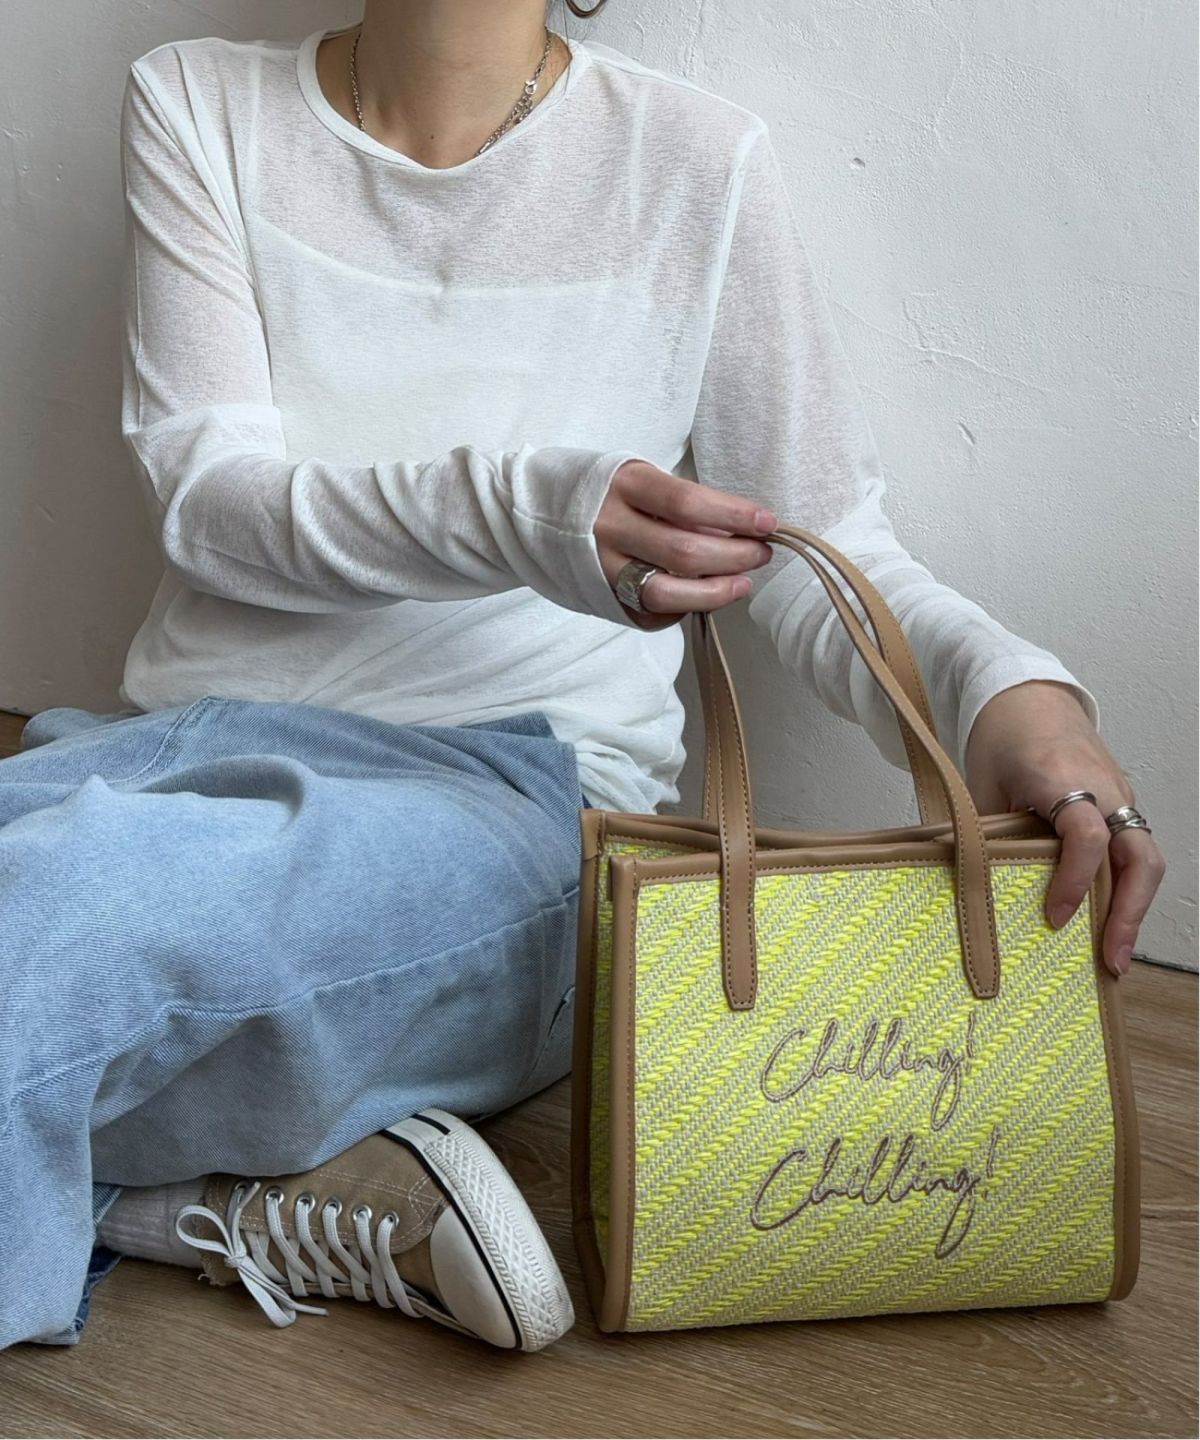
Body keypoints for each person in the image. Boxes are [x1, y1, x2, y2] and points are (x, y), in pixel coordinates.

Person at [0, 0, 1165, 1354]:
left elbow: (815, 547)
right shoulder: (196, 101)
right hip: (172, 755)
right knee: (62, 934)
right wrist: (529, 513)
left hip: (512, 801)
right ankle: (219, 1194)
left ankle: (165, 1163)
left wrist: (1016, 704)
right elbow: (213, 506)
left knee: (55, 928)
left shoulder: (693, 159)